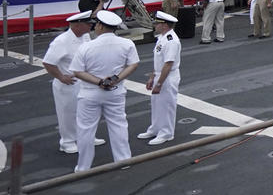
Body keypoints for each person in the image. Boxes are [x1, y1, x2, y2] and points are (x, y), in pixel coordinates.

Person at [69, 10, 139, 172]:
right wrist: (116, 79)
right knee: (118, 125)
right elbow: (133, 64)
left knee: (86, 130)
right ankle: (123, 160)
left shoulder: (86, 47)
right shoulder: (127, 44)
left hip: (90, 93)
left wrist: (99, 82)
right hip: (115, 91)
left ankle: (84, 166)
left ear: (100, 25)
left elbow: (77, 71)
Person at [44, 12, 105, 154]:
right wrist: (60, 77)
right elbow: (48, 62)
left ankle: (87, 137)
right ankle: (67, 141)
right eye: (87, 24)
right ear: (77, 24)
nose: (91, 26)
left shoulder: (85, 36)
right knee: (68, 113)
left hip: (85, 80)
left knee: (87, 112)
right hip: (69, 82)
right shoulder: (61, 41)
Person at [137, 11, 181, 145]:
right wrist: (152, 77)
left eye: (157, 23)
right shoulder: (162, 37)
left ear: (164, 25)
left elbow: (168, 63)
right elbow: (159, 61)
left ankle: (166, 133)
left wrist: (159, 83)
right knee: (157, 104)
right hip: (159, 74)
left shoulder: (171, 41)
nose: (155, 25)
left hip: (167, 77)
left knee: (167, 105)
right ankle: (155, 128)